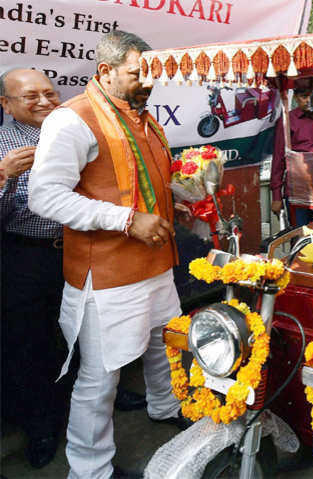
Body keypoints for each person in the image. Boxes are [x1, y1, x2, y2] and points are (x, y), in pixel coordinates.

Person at [28, 30, 190, 479]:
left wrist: (181, 198)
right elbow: (44, 198)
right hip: (107, 276)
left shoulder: (142, 117)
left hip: (157, 264)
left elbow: (143, 184)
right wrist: (127, 220)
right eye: (139, 74)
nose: (149, 83)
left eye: (153, 74)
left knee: (165, 349)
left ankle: (164, 406)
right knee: (100, 381)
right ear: (105, 71)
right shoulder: (73, 119)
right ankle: (91, 468)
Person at [0, 68, 66, 469]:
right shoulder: (3, 146)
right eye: (30, 96)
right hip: (26, 258)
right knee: (30, 344)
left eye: (49, 93)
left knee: (86, 334)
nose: (44, 101)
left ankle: (96, 402)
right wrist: (4, 175)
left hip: (81, 252)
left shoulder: (73, 133)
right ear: (5, 104)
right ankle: (40, 427)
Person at [271, 87, 313, 226]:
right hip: (298, 192)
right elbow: (278, 160)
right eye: (304, 96)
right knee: (300, 236)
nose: (309, 100)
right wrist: (276, 196)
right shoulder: (287, 121)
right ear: (295, 98)